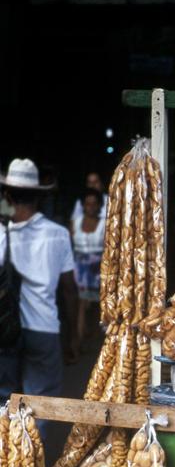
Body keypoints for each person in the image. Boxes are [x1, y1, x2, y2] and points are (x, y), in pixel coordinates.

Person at [0, 158, 79, 413]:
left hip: (6, 330)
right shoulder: (58, 233)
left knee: (4, 403)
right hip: (44, 329)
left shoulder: (1, 234)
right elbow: (69, 289)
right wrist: (72, 336)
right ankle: (34, 451)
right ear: (38, 196)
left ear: (7, 196)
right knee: (40, 406)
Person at [72, 187, 105, 341]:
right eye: (87, 204)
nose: (90, 207)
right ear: (83, 206)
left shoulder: (105, 224)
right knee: (81, 305)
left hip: (99, 269)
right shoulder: (76, 223)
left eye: (94, 204)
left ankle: (99, 342)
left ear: (99, 206)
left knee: (100, 306)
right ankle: (78, 342)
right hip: (79, 269)